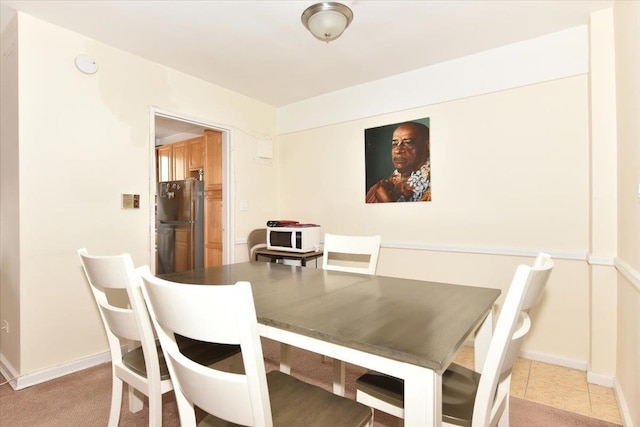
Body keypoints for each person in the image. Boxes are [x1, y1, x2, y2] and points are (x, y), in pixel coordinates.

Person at [366, 121, 431, 203]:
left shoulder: (435, 183)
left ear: (427, 146)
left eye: (408, 142)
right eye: (394, 144)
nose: (397, 150)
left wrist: (387, 202)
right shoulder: (384, 186)